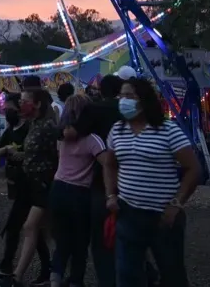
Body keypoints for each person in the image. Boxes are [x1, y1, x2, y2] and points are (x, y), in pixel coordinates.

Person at [106, 76, 199, 287]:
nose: (123, 100)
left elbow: (193, 169)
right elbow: (109, 164)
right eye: (121, 96)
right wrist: (111, 194)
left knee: (172, 274)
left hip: (163, 216)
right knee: (127, 274)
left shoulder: (168, 130)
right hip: (128, 212)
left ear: (144, 99)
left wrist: (176, 203)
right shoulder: (117, 130)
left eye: (129, 95)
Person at [53, 93, 116, 287]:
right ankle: (75, 281)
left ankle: (54, 280)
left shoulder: (62, 135)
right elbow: (107, 162)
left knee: (62, 241)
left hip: (57, 189)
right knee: (80, 242)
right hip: (79, 193)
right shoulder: (92, 139)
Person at [0, 93, 48, 282]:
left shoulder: (33, 128)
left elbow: (39, 153)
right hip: (18, 183)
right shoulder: (11, 130)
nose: (7, 110)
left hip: (31, 183)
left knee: (18, 227)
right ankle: (45, 268)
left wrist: (21, 154)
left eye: (10, 106)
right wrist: (5, 150)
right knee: (31, 228)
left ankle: (9, 267)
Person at [2, 87, 58, 287]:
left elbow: (56, 155)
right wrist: (20, 156)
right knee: (39, 230)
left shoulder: (49, 127)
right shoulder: (34, 124)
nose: (20, 104)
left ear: (38, 104)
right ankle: (44, 273)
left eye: (25, 100)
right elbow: (34, 152)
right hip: (31, 182)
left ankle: (19, 276)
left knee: (33, 227)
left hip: (44, 183)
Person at [74, 73, 125, 287]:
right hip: (129, 174)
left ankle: (107, 279)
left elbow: (77, 132)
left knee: (101, 234)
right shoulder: (128, 111)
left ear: (100, 90)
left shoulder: (93, 110)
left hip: (99, 175)